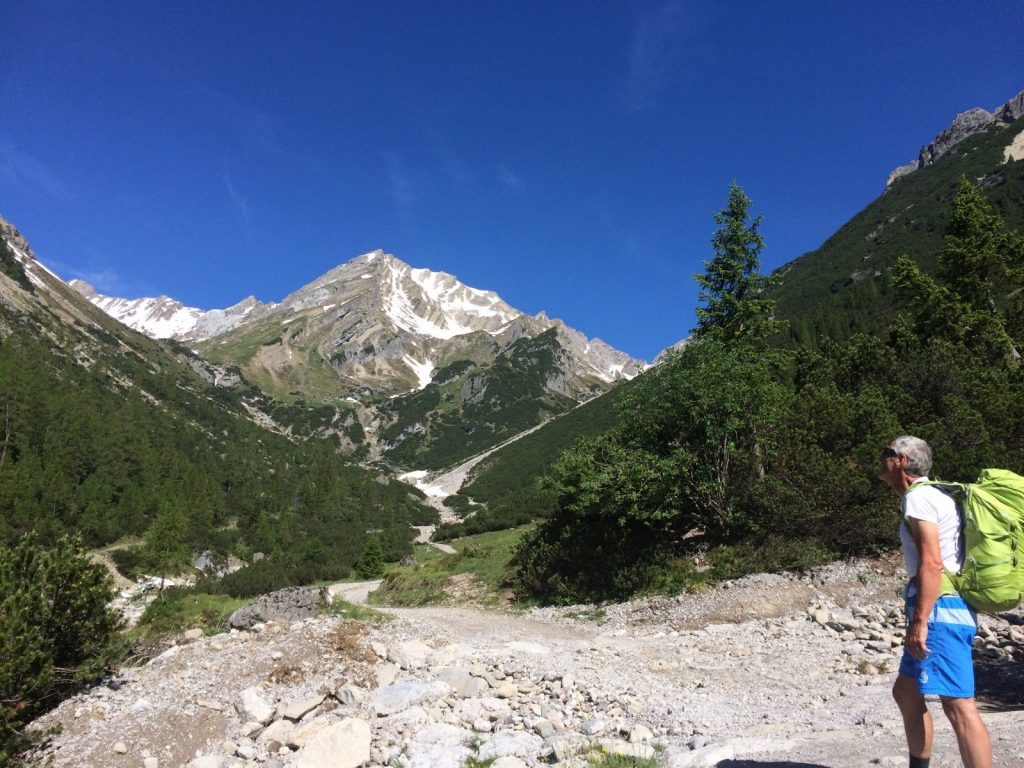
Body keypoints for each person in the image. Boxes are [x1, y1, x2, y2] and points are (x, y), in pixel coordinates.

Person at [878, 435, 992, 768]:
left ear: (900, 460)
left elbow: (932, 562)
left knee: (959, 707)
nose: (879, 459)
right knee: (906, 692)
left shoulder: (920, 499)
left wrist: (920, 622)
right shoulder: (936, 495)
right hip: (941, 605)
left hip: (938, 608)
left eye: (885, 453)